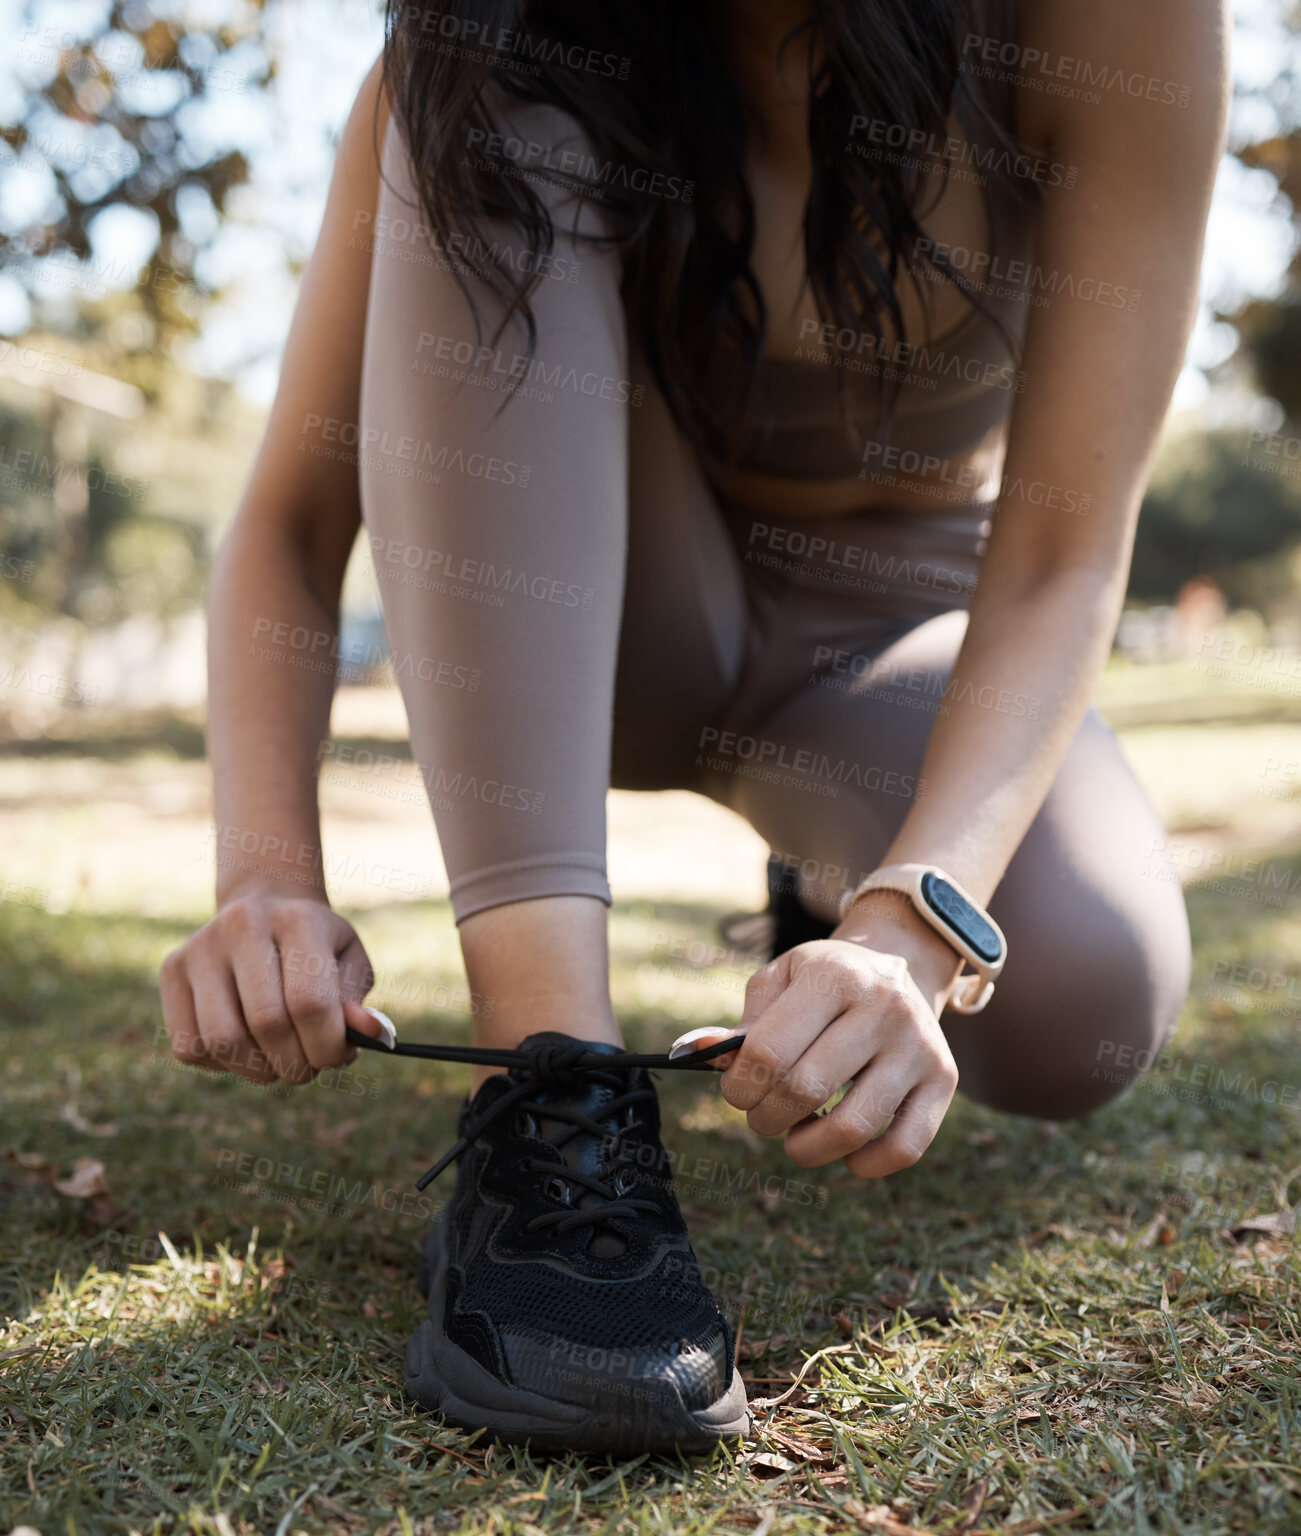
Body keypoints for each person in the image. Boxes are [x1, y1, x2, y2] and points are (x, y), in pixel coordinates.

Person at [159, 0, 1227, 1454]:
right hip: (588, 618)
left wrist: (912, 925)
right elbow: (290, 521)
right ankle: (548, 1092)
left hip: (891, 625)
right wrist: (265, 875)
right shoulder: (490, 50)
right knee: (486, 98)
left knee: (1084, 999)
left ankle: (826, 906)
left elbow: (1059, 553)